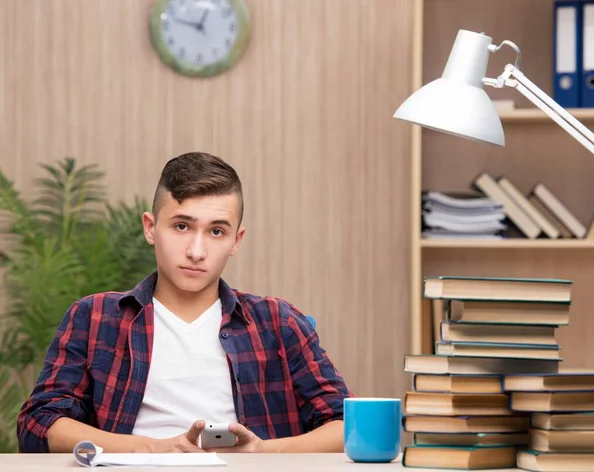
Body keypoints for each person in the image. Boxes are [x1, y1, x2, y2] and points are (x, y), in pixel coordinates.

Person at [17, 152, 353, 454]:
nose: (196, 251)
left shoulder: (278, 321)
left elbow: (346, 424)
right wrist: (152, 449)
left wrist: (262, 453)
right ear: (151, 228)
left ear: (237, 240)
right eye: (181, 226)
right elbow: (39, 423)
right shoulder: (94, 317)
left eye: (216, 232)